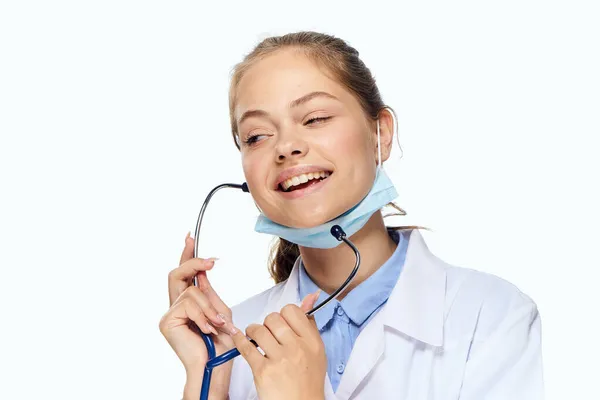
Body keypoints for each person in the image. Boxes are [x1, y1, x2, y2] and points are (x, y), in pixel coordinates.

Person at [159, 31, 544, 400]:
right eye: (258, 136)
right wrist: (207, 377)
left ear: (381, 133)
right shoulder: (230, 339)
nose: (287, 147)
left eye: (314, 119)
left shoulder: (491, 316)